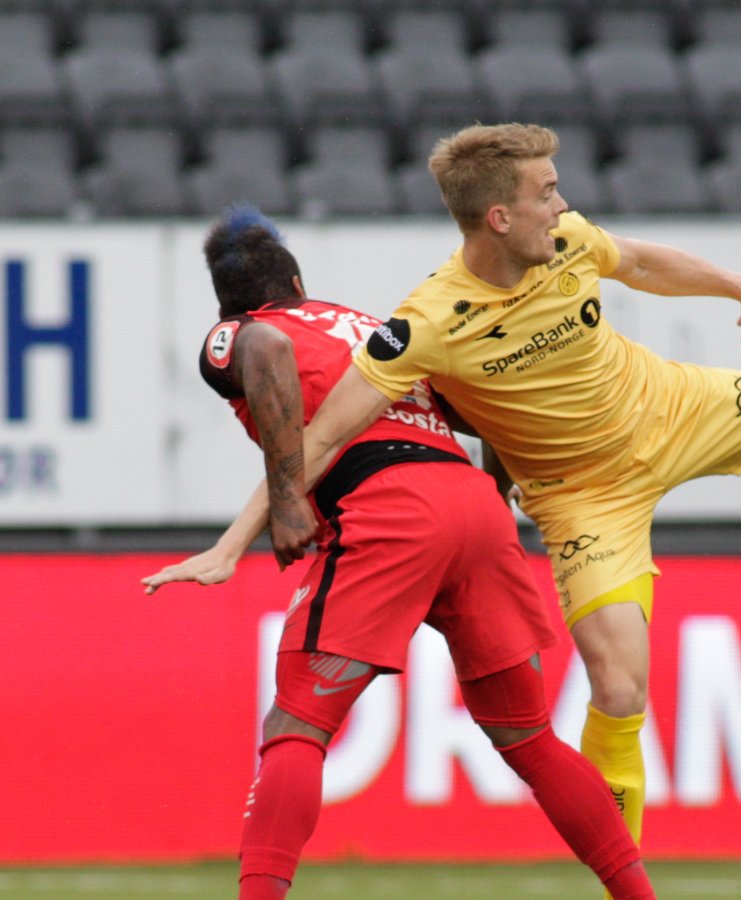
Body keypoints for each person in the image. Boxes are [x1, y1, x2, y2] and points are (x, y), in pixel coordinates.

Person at [157, 124, 741, 867]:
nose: (561, 201)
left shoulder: (564, 241)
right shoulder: (421, 325)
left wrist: (739, 285)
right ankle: (627, 883)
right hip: (582, 499)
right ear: (497, 215)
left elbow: (643, 263)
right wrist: (243, 541)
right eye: (545, 191)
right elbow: (351, 429)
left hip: (670, 405)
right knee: (617, 688)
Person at [141, 205, 653, 900]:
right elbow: (488, 394)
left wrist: (289, 503)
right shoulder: (371, 326)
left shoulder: (239, 333)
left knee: (297, 727)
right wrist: (494, 491)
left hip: (386, 508)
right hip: (471, 506)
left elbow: (265, 352)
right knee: (529, 737)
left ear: (227, 300)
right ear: (296, 276)